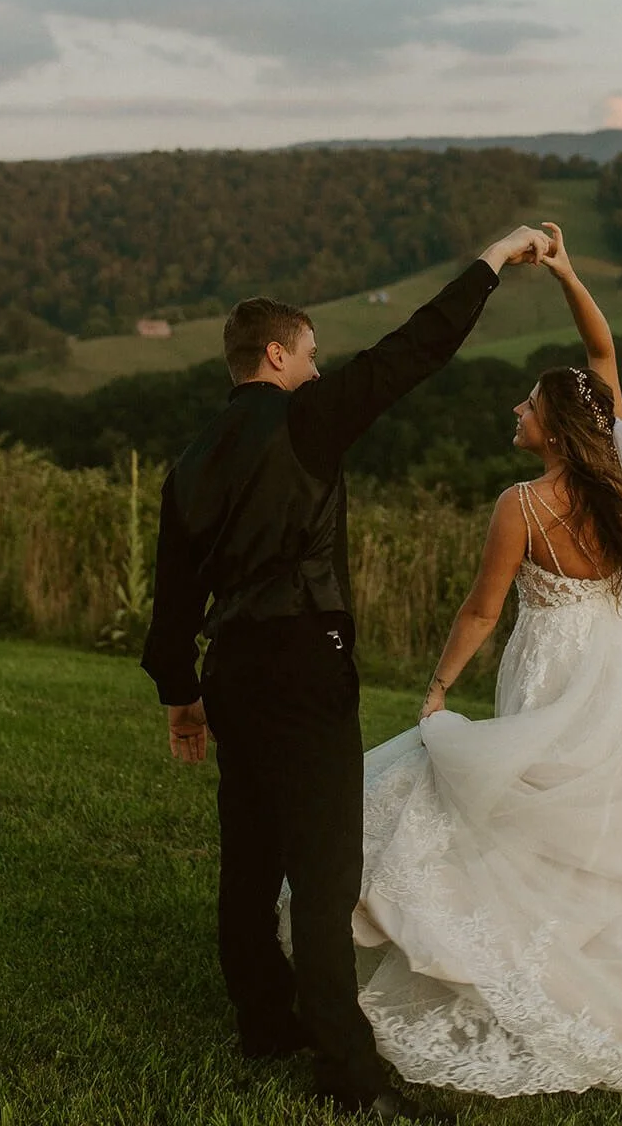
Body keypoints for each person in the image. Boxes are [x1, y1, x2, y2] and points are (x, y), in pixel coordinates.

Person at [322, 220, 622, 1097]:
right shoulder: (620, 485)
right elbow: (603, 345)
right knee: (611, 823)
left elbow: (481, 611)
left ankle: (524, 963)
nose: (515, 411)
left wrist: (437, 692)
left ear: (551, 427)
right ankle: (605, 967)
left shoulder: (522, 505)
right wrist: (565, 271)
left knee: (516, 810)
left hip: (555, 671)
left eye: (525, 404)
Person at [140, 223, 550, 1124]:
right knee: (324, 876)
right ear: (277, 354)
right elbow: (417, 349)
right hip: (305, 666)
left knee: (248, 855)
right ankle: (349, 1074)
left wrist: (181, 695)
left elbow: (171, 604)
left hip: (233, 670)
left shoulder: (188, 462)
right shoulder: (307, 421)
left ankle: (263, 1023)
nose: (322, 372)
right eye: (312, 356)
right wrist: (494, 257)